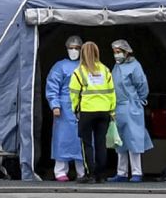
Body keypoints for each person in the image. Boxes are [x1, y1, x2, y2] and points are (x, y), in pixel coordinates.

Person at [68, 41, 115, 184]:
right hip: (104, 112)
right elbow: (112, 92)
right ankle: (101, 175)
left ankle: (90, 175)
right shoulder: (105, 70)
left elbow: (74, 93)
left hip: (87, 111)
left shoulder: (79, 71)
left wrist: (75, 109)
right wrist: (112, 110)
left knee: (87, 143)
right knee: (101, 143)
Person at [109, 39, 153, 183]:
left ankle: (137, 172)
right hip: (118, 107)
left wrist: (139, 101)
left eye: (119, 52)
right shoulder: (116, 67)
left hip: (131, 106)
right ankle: (121, 173)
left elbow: (142, 86)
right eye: (114, 52)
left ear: (127, 52)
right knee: (119, 140)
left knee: (134, 139)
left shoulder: (135, 67)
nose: (116, 55)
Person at [44, 35, 86, 181]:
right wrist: (55, 105)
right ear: (66, 49)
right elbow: (52, 86)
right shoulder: (60, 66)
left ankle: (83, 171)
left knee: (83, 139)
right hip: (64, 107)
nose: (74, 51)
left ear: (82, 49)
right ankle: (60, 171)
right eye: (71, 48)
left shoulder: (86, 65)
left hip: (84, 106)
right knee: (63, 139)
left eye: (77, 48)